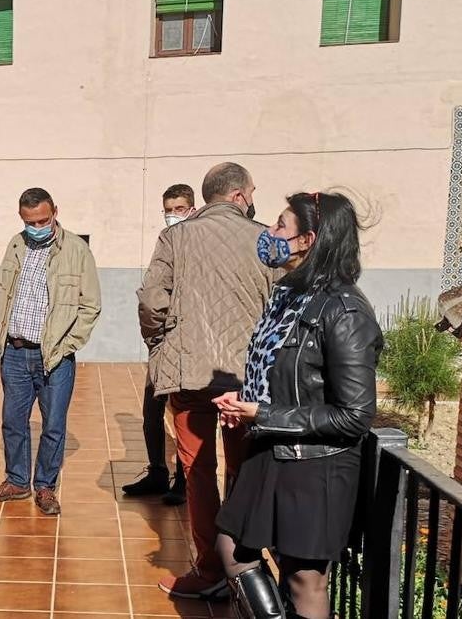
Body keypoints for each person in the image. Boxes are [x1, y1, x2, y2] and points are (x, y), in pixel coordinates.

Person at [213, 192, 381, 619]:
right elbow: (283, 373)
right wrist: (249, 400)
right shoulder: (290, 294)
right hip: (273, 448)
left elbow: (355, 415)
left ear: (307, 240)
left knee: (304, 578)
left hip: (317, 463)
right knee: (233, 546)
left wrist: (264, 414)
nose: (269, 233)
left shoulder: (345, 310)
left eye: (279, 226)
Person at [137, 163, 278, 600]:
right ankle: (245, 564)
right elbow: (282, 304)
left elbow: (150, 300)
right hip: (248, 379)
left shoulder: (175, 237)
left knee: (197, 471)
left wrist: (162, 345)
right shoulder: (267, 240)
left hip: (191, 374)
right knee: (242, 470)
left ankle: (210, 566)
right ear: (238, 196)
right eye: (252, 191)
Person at [0, 188, 101, 516]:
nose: (36, 226)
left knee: (53, 425)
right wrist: (1, 334)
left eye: (42, 220)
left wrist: (68, 344)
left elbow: (90, 305)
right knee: (12, 421)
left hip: (54, 356)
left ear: (55, 212)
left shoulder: (76, 250)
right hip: (16, 353)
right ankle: (17, 481)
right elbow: (2, 291)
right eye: (29, 221)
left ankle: (45, 486)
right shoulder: (16, 244)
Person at [122, 184, 194, 504]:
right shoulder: (165, 240)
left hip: (189, 341)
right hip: (162, 340)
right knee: (152, 408)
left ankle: (184, 479)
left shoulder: (197, 240)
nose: (172, 215)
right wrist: (154, 337)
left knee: (183, 413)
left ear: (192, 208)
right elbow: (152, 293)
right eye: (168, 210)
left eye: (179, 209)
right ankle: (157, 472)